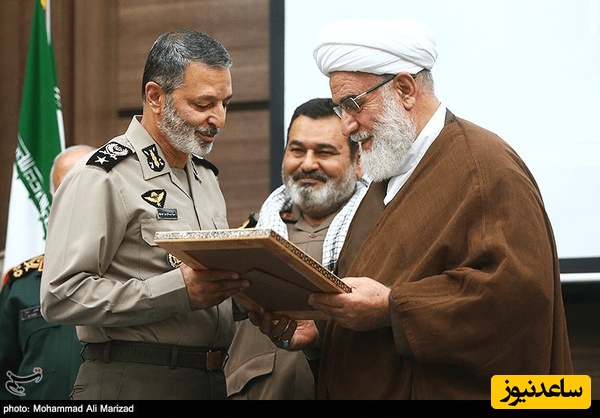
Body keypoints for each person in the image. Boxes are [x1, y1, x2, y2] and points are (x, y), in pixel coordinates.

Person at [249, 18, 573, 399]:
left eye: (353, 104)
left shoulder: (485, 168)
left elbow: (515, 300)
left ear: (404, 89)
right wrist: (321, 332)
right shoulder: (389, 171)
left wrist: (392, 307)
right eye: (340, 110)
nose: (347, 126)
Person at [40, 29, 250, 400]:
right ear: (155, 96)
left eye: (225, 103)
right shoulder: (103, 175)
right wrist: (178, 292)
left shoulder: (204, 177)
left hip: (210, 382)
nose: (218, 119)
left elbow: (203, 290)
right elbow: (60, 296)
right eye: (203, 104)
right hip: (131, 380)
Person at [224, 98, 368, 400]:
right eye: (297, 150)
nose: (308, 164)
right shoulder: (252, 234)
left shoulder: (378, 231)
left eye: (324, 152)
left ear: (359, 162)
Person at [0, 145, 95, 400]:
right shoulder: (22, 285)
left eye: (87, 185)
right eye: (65, 189)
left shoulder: (135, 275)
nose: (75, 198)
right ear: (53, 201)